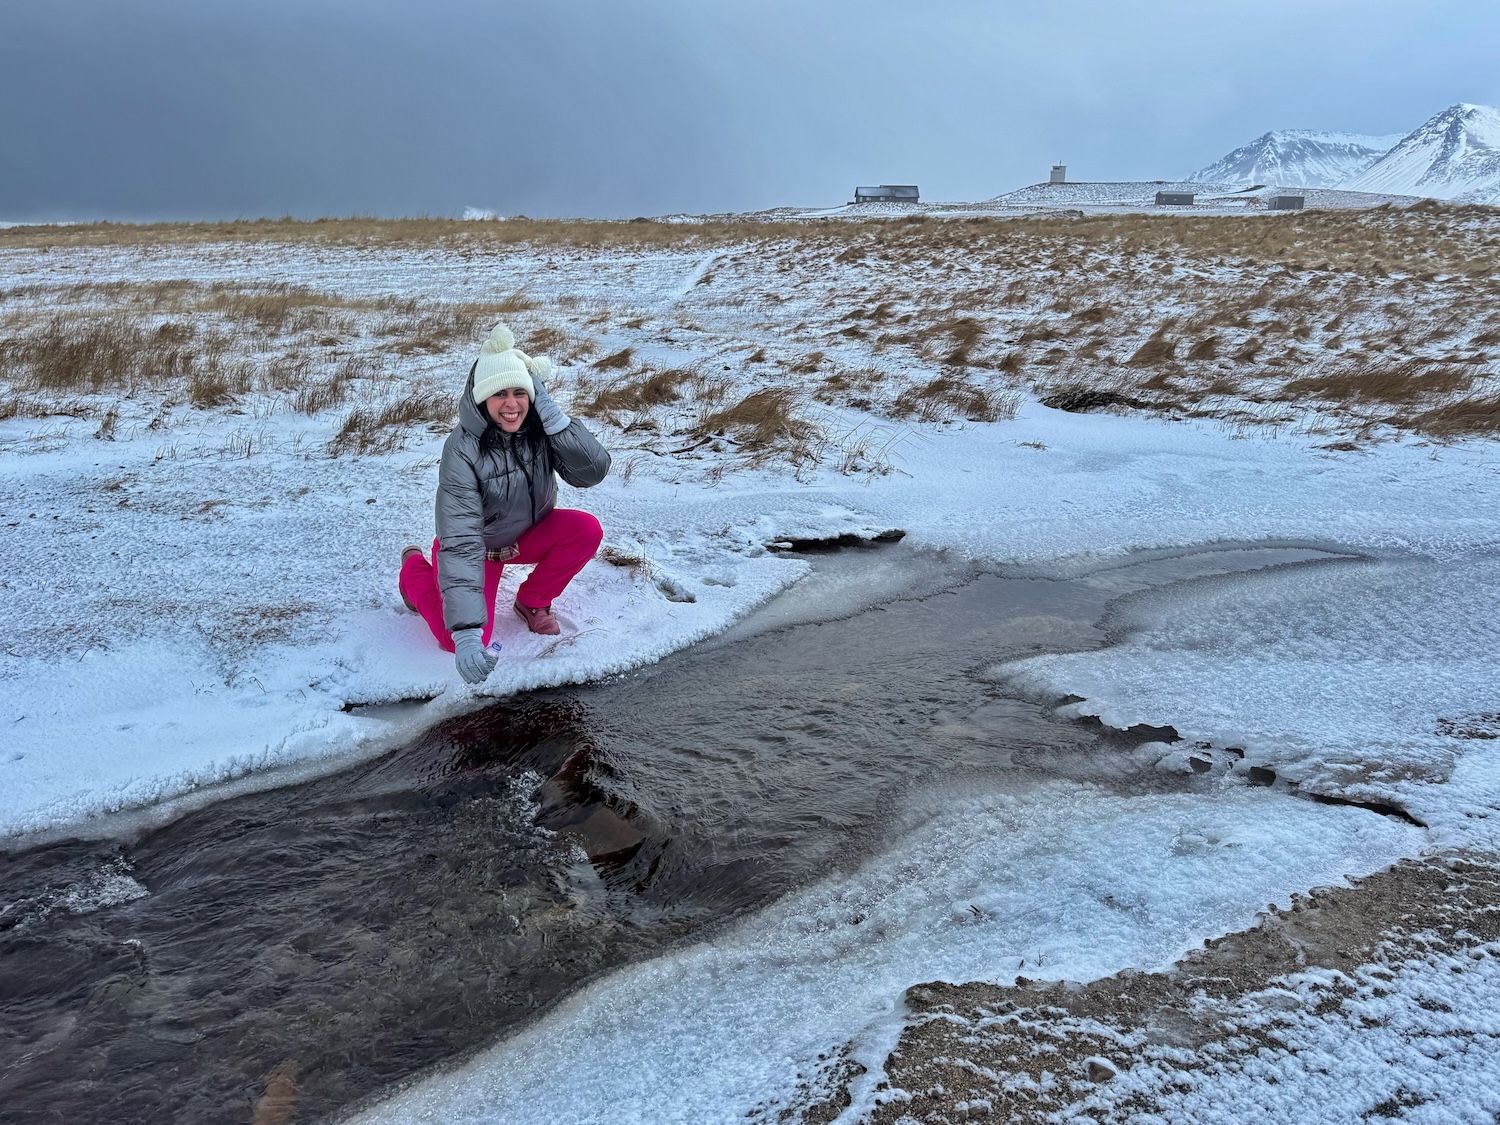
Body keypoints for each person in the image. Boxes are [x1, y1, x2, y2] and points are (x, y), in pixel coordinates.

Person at [399, 322, 610, 684]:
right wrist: (465, 632)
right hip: (478, 546)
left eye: (520, 392)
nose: (512, 404)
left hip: (528, 533)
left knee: (585, 529)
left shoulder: (542, 428)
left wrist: (555, 418)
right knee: (458, 641)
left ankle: (532, 601)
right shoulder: (462, 449)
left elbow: (591, 472)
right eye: (499, 394)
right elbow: (461, 536)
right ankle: (413, 572)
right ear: (482, 399)